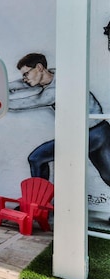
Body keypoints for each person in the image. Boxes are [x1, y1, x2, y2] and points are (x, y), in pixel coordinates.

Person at [9, 53, 110, 186]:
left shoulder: (56, 90)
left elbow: (31, 101)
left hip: (90, 134)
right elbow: (20, 84)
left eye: (26, 74)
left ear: (39, 67)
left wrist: (0, 104)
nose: (24, 79)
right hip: (101, 131)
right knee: (108, 175)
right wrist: (2, 86)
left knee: (36, 158)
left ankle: (38, 203)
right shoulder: (55, 74)